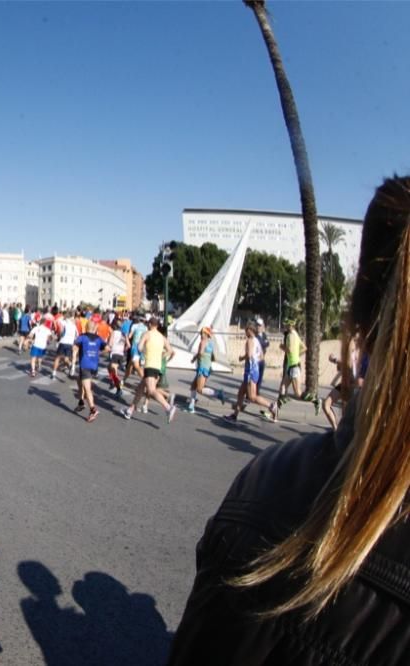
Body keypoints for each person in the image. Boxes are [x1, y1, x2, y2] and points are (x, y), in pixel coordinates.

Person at [168, 176, 410, 665]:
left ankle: (260, 406)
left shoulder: (263, 479)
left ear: (356, 322)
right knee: (247, 395)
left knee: (254, 395)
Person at [123, 317, 177, 423]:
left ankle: (168, 408)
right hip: (157, 366)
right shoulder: (162, 337)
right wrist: (161, 356)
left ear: (150, 324)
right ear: (157, 325)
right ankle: (130, 410)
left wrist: (145, 352)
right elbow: (170, 351)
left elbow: (139, 347)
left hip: (149, 365)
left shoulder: (147, 334)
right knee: (140, 387)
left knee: (151, 390)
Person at [224, 323, 280, 423]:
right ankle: (234, 415)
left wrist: (242, 358)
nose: (245, 332)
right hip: (254, 369)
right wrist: (255, 362)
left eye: (246, 330)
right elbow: (262, 356)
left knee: (252, 397)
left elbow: (249, 355)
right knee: (241, 393)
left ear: (250, 330)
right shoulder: (257, 341)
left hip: (250, 371)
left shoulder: (250, 340)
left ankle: (272, 406)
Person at [275, 320, 321, 415]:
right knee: (282, 387)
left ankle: (316, 400)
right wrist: (297, 355)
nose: (285, 326)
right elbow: (305, 348)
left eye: (287, 324)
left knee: (298, 393)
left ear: (291, 325)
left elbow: (290, 350)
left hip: (294, 367)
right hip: (292, 365)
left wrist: (282, 346)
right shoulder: (295, 334)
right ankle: (275, 412)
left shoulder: (290, 336)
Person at [186, 326, 225, 413]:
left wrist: (194, 359)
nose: (200, 334)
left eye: (202, 333)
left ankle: (218, 394)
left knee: (200, 389)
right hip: (207, 368)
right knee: (193, 386)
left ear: (206, 334)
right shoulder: (210, 344)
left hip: (202, 368)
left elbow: (200, 353)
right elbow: (214, 358)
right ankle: (191, 406)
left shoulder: (202, 342)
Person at [74, 321, 106, 423]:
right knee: (79, 380)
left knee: (87, 388)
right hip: (94, 365)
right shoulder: (98, 338)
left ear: (86, 327)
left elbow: (75, 347)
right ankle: (81, 402)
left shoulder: (82, 337)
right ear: (95, 328)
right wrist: (98, 352)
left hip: (85, 365)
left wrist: (73, 359)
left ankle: (93, 409)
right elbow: (108, 348)